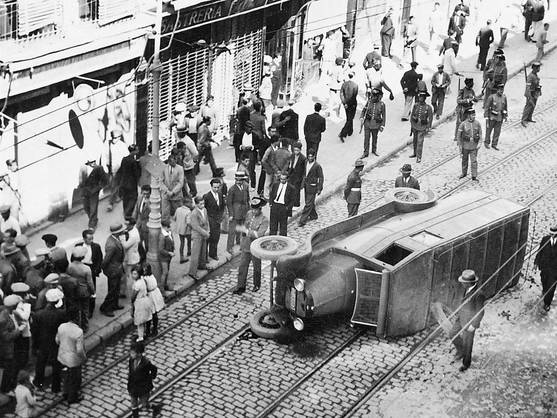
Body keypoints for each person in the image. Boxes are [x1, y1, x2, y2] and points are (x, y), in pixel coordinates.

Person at [450, 269, 485, 372]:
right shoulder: (465, 289)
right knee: (452, 334)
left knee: (468, 344)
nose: (462, 284)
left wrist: (474, 325)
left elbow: (480, 312)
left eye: (463, 282)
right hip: (461, 318)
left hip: (470, 322)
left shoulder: (479, 294)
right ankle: (461, 351)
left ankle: (466, 363)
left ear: (469, 283)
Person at [31, 289, 65, 392]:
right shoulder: (62, 314)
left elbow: (34, 331)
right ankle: (56, 386)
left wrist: (35, 345)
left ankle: (39, 382)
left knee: (41, 362)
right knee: (56, 364)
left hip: (42, 341)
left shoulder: (38, 314)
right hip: (56, 342)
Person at [233, 197, 269, 295]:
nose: (253, 211)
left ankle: (257, 284)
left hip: (256, 247)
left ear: (260, 209)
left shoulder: (264, 220)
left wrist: (246, 231)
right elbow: (246, 225)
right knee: (242, 267)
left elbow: (259, 234)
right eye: (253, 209)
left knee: (256, 267)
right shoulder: (249, 213)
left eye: (256, 210)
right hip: (246, 245)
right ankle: (241, 286)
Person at [56, 308, 86, 404]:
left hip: (62, 356)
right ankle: (72, 397)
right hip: (73, 360)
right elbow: (79, 350)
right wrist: (83, 358)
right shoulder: (78, 331)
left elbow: (57, 340)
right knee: (74, 379)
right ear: (77, 318)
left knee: (66, 377)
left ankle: (65, 392)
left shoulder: (61, 327)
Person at [100, 223, 126, 317]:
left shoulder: (114, 239)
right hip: (113, 270)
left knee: (116, 289)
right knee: (112, 290)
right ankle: (106, 308)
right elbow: (106, 260)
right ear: (117, 233)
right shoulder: (112, 245)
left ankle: (114, 304)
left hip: (117, 269)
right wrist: (104, 269)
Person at [66, 247, 94, 331]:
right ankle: (85, 326)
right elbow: (90, 283)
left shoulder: (69, 266)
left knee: (75, 308)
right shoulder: (86, 268)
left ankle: (76, 325)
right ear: (83, 257)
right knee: (85, 309)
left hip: (73, 290)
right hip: (84, 291)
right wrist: (92, 291)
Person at [76, 229, 103, 318]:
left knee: (92, 290)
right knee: (81, 289)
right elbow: (73, 258)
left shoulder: (96, 246)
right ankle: (82, 307)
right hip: (81, 268)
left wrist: (96, 271)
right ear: (84, 239)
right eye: (89, 239)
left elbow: (100, 259)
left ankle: (91, 309)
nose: (91, 241)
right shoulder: (78, 246)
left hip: (91, 269)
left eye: (92, 238)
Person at [0, 294, 24, 393]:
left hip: (16, 344)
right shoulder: (2, 319)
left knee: (14, 367)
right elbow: (6, 337)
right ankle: (5, 389)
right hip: (8, 348)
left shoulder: (13, 313)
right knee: (8, 369)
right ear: (12, 306)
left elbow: (17, 322)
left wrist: (20, 323)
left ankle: (12, 385)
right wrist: (19, 330)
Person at [127, 341, 158, 418]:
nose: (131, 354)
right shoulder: (131, 360)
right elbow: (131, 372)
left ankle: (153, 406)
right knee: (133, 403)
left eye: (133, 353)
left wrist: (151, 377)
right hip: (133, 386)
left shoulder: (146, 363)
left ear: (139, 354)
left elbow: (154, 369)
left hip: (143, 388)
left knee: (144, 404)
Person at [78, 159, 108, 230]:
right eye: (90, 162)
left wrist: (98, 188)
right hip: (85, 191)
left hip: (93, 191)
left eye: (93, 161)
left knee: (93, 208)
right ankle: (94, 219)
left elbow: (105, 180)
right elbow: (81, 180)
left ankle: (92, 225)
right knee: (86, 207)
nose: (92, 163)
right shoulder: (83, 168)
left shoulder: (99, 168)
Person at [534, 225, 557, 311]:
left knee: (551, 288)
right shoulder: (545, 239)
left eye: (553, 234)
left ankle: (547, 303)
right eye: (550, 234)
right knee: (544, 281)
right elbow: (540, 251)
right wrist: (536, 263)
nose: (551, 235)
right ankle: (544, 290)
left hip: (554, 270)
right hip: (544, 267)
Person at [298, 149, 324, 227]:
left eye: (311, 156)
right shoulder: (306, 162)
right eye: (308, 156)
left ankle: (302, 220)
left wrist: (319, 188)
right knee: (310, 202)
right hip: (306, 185)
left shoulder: (317, 166)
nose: (310, 158)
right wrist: (302, 183)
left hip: (313, 187)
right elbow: (304, 173)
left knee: (308, 204)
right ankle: (313, 215)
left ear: (314, 156)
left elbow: (321, 177)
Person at [226, 172, 250, 253]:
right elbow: (229, 203)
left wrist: (249, 210)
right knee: (232, 231)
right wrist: (231, 214)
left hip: (244, 211)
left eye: (240, 180)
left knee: (243, 228)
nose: (238, 182)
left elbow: (248, 199)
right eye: (237, 180)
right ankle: (229, 247)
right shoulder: (232, 189)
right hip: (235, 212)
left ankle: (241, 243)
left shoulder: (246, 187)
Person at [457, 108, 482, 180]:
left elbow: (480, 134)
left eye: (474, 115)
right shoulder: (463, 124)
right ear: (468, 115)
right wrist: (460, 146)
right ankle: (464, 173)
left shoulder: (477, 123)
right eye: (472, 115)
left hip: (474, 146)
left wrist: (479, 143)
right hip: (465, 146)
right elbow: (458, 136)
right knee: (464, 160)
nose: (474, 116)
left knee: (474, 161)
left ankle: (474, 175)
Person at [188, 196, 210, 281]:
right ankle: (192, 272)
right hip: (197, 235)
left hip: (204, 233)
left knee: (203, 251)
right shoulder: (194, 213)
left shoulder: (205, 210)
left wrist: (208, 230)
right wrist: (205, 233)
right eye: (201, 204)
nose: (203, 205)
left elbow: (207, 221)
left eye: (203, 203)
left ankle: (202, 265)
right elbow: (196, 226)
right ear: (196, 204)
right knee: (195, 254)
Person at [360, 88, 386, 158]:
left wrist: (382, 125)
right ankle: (365, 153)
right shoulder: (369, 102)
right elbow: (363, 111)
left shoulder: (382, 104)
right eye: (372, 96)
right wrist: (362, 117)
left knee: (375, 138)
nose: (373, 98)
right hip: (367, 124)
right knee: (366, 139)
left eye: (375, 96)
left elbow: (384, 116)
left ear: (378, 97)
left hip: (376, 125)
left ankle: (374, 150)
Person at [204, 179, 225, 262]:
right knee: (208, 239)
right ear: (211, 187)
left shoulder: (220, 194)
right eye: (214, 187)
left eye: (218, 187)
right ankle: (205, 257)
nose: (216, 189)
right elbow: (204, 209)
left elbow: (222, 206)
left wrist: (221, 216)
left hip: (217, 220)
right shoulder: (206, 196)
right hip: (209, 220)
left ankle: (213, 254)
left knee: (216, 237)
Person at [269, 172, 295, 236]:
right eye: (281, 179)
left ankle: (282, 238)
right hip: (275, 205)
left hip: (284, 207)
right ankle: (272, 237)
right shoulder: (275, 185)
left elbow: (292, 200)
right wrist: (271, 203)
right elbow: (271, 194)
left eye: (284, 179)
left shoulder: (291, 188)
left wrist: (288, 208)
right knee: (273, 224)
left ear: (287, 179)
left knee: (283, 225)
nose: (282, 180)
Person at [130, 267, 152, 342]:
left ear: (139, 274)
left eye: (135, 274)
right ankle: (144, 333)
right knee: (144, 318)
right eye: (132, 273)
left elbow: (133, 296)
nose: (133, 275)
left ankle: (140, 337)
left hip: (140, 302)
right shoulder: (142, 280)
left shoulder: (137, 284)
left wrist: (132, 303)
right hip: (145, 300)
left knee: (139, 321)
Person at [410, 91, 433, 163]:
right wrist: (412, 124)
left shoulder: (428, 107)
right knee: (415, 141)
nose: (420, 98)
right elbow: (412, 115)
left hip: (422, 126)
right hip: (415, 125)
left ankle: (419, 157)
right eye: (420, 97)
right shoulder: (416, 105)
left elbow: (430, 118)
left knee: (420, 142)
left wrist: (428, 127)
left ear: (424, 98)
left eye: (422, 97)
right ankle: (415, 153)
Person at [160, 154, 184, 223]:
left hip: (176, 194)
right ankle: (165, 223)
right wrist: (167, 191)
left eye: (175, 161)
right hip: (166, 194)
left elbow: (181, 182)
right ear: (169, 162)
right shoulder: (164, 168)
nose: (174, 163)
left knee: (178, 211)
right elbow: (161, 181)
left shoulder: (180, 168)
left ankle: (180, 224)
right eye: (172, 162)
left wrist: (173, 192)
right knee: (165, 211)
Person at [118, 145, 141, 218]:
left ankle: (125, 212)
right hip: (131, 184)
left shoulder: (124, 159)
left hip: (124, 182)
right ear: (134, 151)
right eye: (137, 150)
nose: (138, 151)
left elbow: (121, 170)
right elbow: (136, 174)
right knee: (133, 198)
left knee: (126, 199)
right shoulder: (133, 162)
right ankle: (128, 214)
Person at [175, 129, 198, 197]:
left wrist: (194, 161)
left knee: (190, 180)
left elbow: (195, 153)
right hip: (181, 164)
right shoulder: (178, 138)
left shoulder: (189, 142)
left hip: (188, 164)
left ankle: (193, 192)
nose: (178, 134)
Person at [484, 83, 507, 150]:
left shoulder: (504, 97)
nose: (501, 91)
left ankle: (494, 144)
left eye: (502, 90)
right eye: (500, 90)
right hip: (492, 117)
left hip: (499, 117)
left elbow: (505, 107)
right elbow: (486, 107)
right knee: (488, 131)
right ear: (497, 90)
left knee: (497, 132)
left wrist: (505, 116)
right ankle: (487, 142)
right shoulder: (491, 97)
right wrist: (486, 116)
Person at [143, 264, 164, 337]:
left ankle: (149, 330)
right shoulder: (151, 276)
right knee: (154, 313)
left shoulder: (145, 279)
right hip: (155, 294)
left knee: (149, 314)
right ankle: (154, 329)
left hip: (150, 296)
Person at [339, 71, 359, 141]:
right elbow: (354, 96)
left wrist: (344, 103)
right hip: (352, 104)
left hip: (346, 104)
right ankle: (343, 133)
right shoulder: (355, 85)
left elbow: (341, 94)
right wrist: (349, 104)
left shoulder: (344, 84)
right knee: (350, 118)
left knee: (349, 117)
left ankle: (350, 131)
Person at [521, 62, 542, 127]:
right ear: (534, 68)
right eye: (538, 68)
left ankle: (529, 118)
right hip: (530, 93)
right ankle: (523, 120)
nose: (539, 69)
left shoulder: (535, 75)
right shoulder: (530, 76)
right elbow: (528, 87)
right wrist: (529, 96)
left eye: (539, 67)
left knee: (533, 106)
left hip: (535, 93)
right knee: (528, 106)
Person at [133, 185, 151, 258]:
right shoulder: (140, 197)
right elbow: (136, 208)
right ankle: (142, 256)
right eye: (144, 193)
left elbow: (155, 212)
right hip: (139, 223)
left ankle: (148, 258)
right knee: (137, 242)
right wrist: (133, 220)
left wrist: (148, 204)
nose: (145, 195)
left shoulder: (153, 200)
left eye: (147, 194)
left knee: (147, 244)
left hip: (147, 225)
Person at [288, 142, 306, 208]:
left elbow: (304, 170)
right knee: (290, 189)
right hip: (292, 174)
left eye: (297, 150)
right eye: (295, 150)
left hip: (298, 176)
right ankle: (291, 202)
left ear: (300, 150)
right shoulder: (292, 155)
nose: (296, 151)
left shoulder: (303, 158)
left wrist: (303, 179)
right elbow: (290, 164)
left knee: (296, 190)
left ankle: (296, 203)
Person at [174, 196, 192, 264]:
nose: (191, 204)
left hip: (179, 229)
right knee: (189, 241)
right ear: (186, 203)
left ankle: (181, 257)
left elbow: (174, 218)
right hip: (187, 230)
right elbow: (188, 222)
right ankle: (189, 251)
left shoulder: (178, 209)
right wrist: (193, 227)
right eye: (190, 203)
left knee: (182, 243)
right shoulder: (188, 211)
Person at [158, 220, 175, 291]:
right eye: (169, 227)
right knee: (165, 272)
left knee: (167, 271)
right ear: (165, 227)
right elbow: (160, 249)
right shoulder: (162, 236)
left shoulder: (169, 233)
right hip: (164, 257)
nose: (171, 228)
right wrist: (169, 253)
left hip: (168, 256)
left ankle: (165, 285)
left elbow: (172, 241)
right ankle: (161, 289)